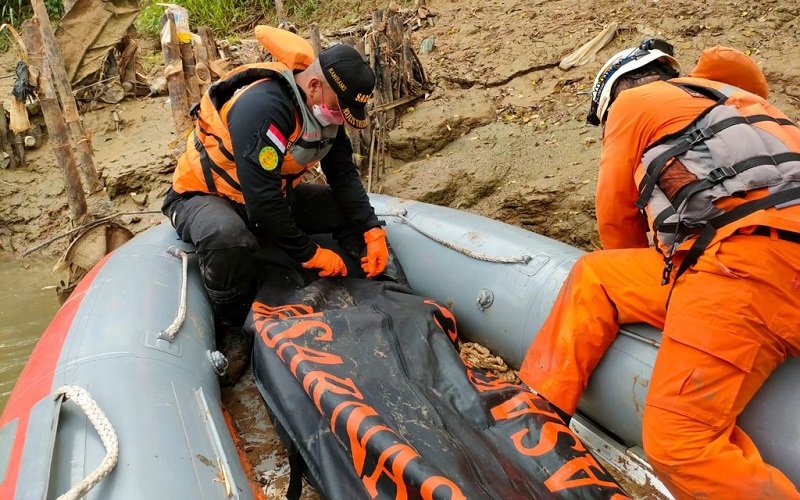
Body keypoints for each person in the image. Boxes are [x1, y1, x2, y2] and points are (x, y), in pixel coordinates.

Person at [519, 40, 800, 498]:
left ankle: (528, 428)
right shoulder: (747, 104)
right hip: (768, 259)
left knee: (680, 447)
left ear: (613, 98)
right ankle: (537, 409)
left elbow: (616, 217)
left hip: (748, 266)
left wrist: (661, 290)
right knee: (597, 275)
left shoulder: (632, 105)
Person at [162, 27, 394, 384]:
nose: (340, 116)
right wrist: (310, 254)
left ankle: (369, 283)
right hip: (205, 196)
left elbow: (344, 175)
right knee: (227, 236)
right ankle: (231, 326)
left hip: (267, 197)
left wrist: (371, 229)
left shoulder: (324, 114)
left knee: (343, 210)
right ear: (314, 86)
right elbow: (263, 202)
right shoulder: (264, 107)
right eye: (339, 107)